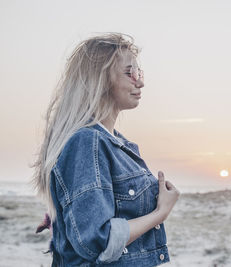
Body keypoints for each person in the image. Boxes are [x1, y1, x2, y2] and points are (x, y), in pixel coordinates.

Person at [33, 33, 180, 266]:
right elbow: (98, 240)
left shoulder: (117, 144)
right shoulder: (87, 142)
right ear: (100, 79)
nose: (140, 82)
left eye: (139, 73)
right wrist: (160, 213)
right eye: (129, 72)